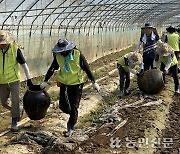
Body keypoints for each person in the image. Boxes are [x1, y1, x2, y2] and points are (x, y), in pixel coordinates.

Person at [40, 39, 100, 137]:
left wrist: (94, 82)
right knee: (62, 106)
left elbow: (86, 68)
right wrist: (45, 81)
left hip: (77, 84)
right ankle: (73, 114)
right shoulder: (58, 56)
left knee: (74, 106)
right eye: (60, 51)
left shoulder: (77, 54)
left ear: (69, 48)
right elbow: (52, 68)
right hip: (64, 83)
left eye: (64, 50)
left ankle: (70, 127)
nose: (62, 52)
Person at [0, 30, 33, 131]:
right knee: (4, 102)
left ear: (8, 42)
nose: (2, 45)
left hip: (14, 80)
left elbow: (24, 65)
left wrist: (29, 79)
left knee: (15, 101)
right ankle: (18, 110)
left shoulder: (15, 49)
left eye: (4, 43)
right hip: (2, 81)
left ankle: (14, 122)